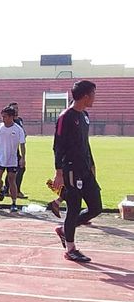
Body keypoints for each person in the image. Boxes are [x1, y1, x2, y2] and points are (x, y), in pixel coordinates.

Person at [51, 80, 102, 263]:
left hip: (85, 168)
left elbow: (85, 144)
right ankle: (70, 248)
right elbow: (58, 146)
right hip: (71, 169)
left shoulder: (85, 116)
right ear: (86, 96)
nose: (95, 98)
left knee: (96, 207)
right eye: (94, 94)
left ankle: (65, 229)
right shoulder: (66, 117)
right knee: (74, 207)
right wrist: (59, 172)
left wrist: (92, 165)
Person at [0, 106, 26, 213]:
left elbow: (22, 145)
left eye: (4, 117)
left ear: (11, 117)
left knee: (12, 180)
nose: (2, 119)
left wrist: (23, 158)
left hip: (12, 159)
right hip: (0, 158)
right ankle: (2, 188)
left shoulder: (18, 129)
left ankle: (14, 203)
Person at [10, 102, 28, 199]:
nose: (16, 110)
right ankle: (16, 191)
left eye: (17, 108)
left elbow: (23, 133)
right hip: (12, 149)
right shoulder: (11, 122)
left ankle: (8, 189)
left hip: (17, 149)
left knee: (13, 169)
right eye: (14, 108)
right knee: (19, 168)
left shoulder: (19, 120)